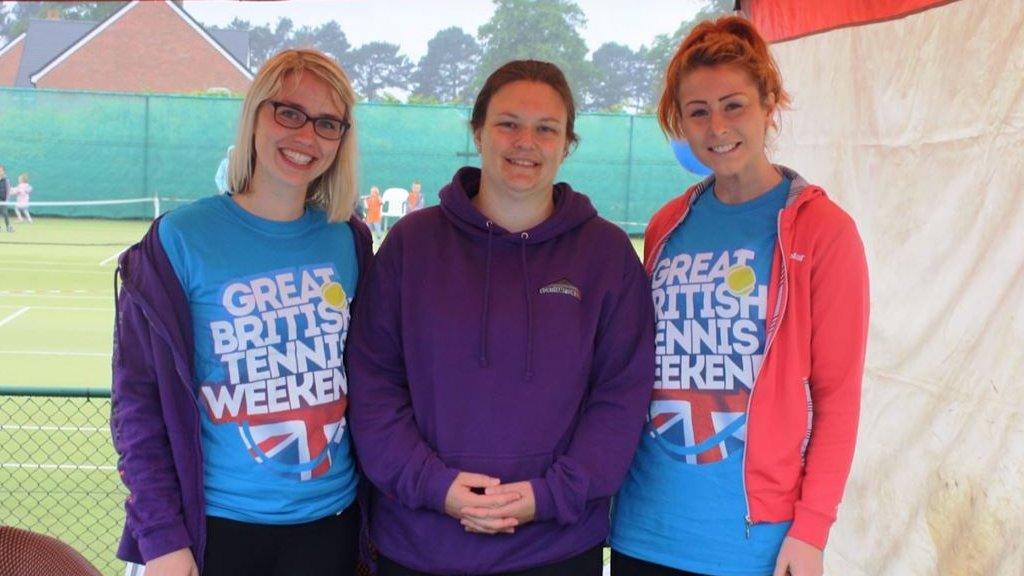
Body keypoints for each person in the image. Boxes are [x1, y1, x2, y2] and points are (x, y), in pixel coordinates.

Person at [347, 60, 655, 576]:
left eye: (546, 129)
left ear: (567, 144)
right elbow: (374, 383)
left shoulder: (606, 254)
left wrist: (549, 495)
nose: (525, 142)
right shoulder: (411, 245)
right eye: (508, 123)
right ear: (478, 132)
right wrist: (436, 486)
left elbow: (620, 397)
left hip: (553, 548)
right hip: (419, 546)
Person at [610, 16, 870, 576]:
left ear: (768, 103)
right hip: (643, 529)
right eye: (698, 111)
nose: (717, 126)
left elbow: (838, 398)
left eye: (734, 105)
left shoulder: (822, 231)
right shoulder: (666, 226)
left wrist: (813, 529)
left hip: (755, 542)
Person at [111, 48, 371, 576]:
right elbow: (137, 402)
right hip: (216, 531)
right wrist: (160, 538)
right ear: (255, 114)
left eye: (327, 123)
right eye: (289, 112)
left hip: (332, 527)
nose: (305, 137)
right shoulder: (179, 240)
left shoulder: (349, 241)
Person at [0, 165, 11, 232]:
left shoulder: (6, 180)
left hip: (3, 200)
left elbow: (8, 190)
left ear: (3, 172)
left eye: (1, 171)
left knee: (5, 213)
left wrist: (7, 200)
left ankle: (8, 227)